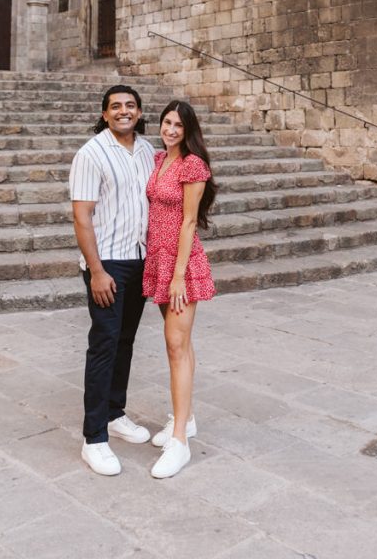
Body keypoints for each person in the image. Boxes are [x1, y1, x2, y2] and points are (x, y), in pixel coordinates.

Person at [70, 84, 156, 476]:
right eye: (116, 106)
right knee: (104, 344)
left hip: (139, 260)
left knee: (125, 340)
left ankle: (116, 413)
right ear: (104, 114)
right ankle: (94, 437)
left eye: (130, 105)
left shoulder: (147, 151)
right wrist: (97, 270)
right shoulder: (91, 154)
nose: (124, 111)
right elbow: (82, 216)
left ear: (138, 112)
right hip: (108, 263)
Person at [143, 100, 217, 479]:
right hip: (156, 259)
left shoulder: (193, 165)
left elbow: (189, 222)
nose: (171, 129)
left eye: (178, 125)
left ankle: (180, 442)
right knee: (181, 344)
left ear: (189, 130)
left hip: (180, 265)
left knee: (175, 345)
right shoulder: (159, 160)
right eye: (167, 122)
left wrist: (176, 275)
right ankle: (184, 419)